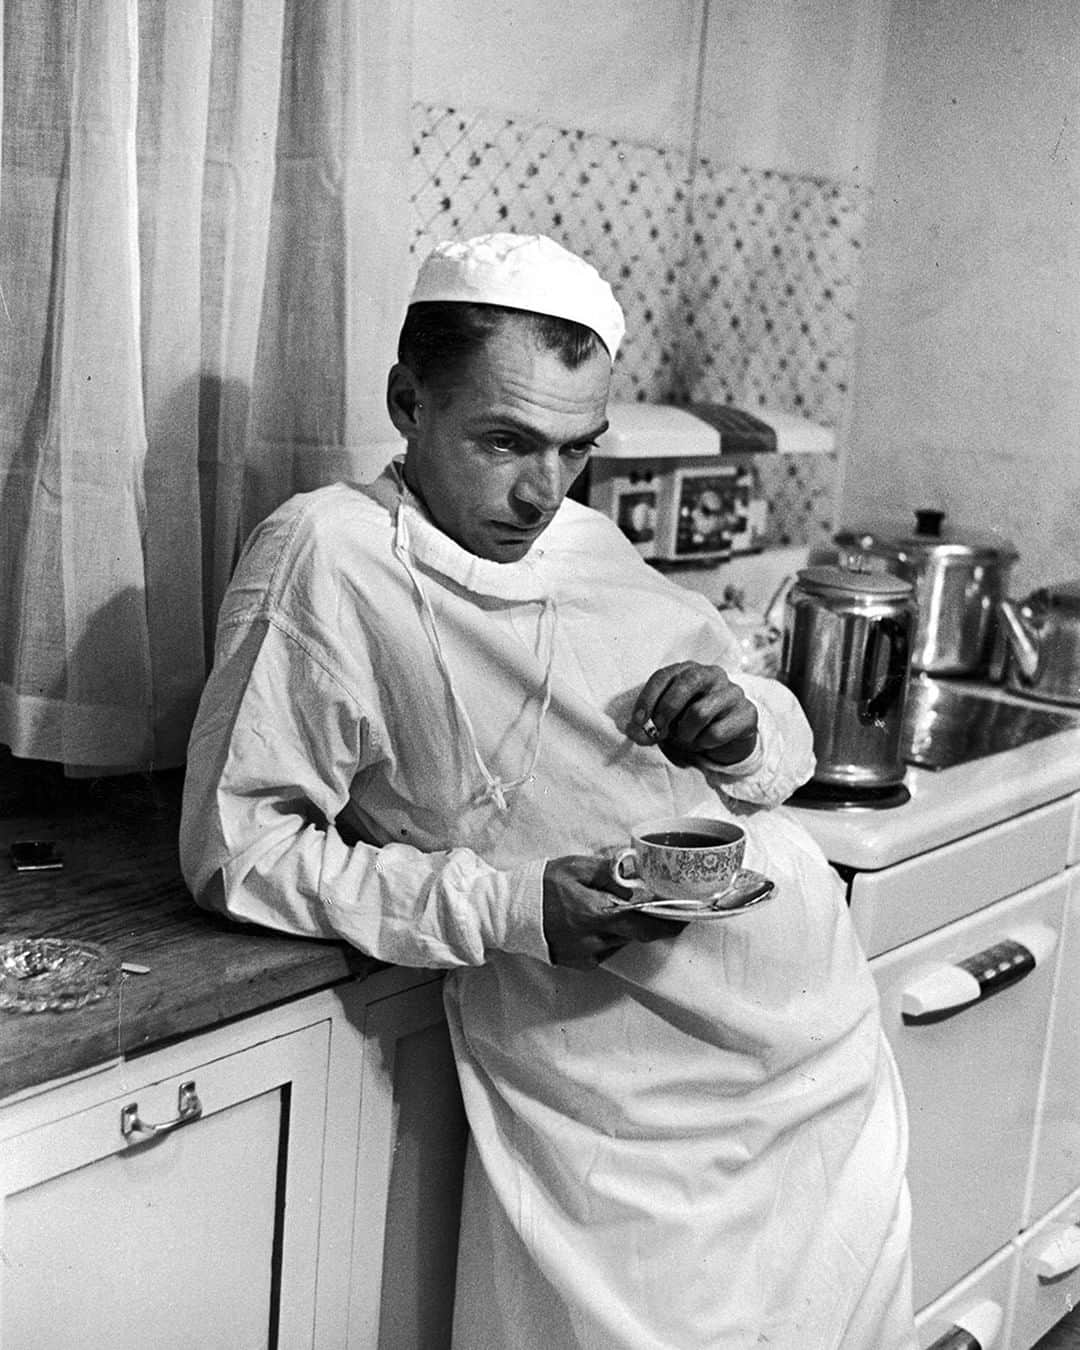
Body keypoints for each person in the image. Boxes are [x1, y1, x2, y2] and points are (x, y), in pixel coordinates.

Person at [180, 232, 916, 1349]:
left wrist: (738, 715)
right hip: (621, 1103)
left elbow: (782, 748)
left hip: (810, 1050)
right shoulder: (330, 555)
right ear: (406, 401)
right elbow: (240, 846)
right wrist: (510, 909)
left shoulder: (582, 538)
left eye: (577, 449)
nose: (542, 490)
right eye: (506, 441)